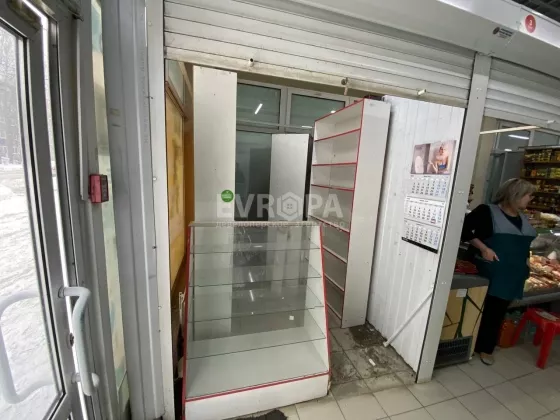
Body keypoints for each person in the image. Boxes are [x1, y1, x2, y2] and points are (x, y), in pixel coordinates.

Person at [461, 178, 536, 365]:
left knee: (498, 311)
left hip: (513, 273)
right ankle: (476, 345)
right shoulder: (487, 211)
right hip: (490, 270)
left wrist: (527, 260)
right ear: (515, 195)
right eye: (528, 195)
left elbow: (524, 242)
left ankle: (485, 346)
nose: (531, 198)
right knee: (483, 309)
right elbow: (464, 230)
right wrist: (484, 248)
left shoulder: (522, 217)